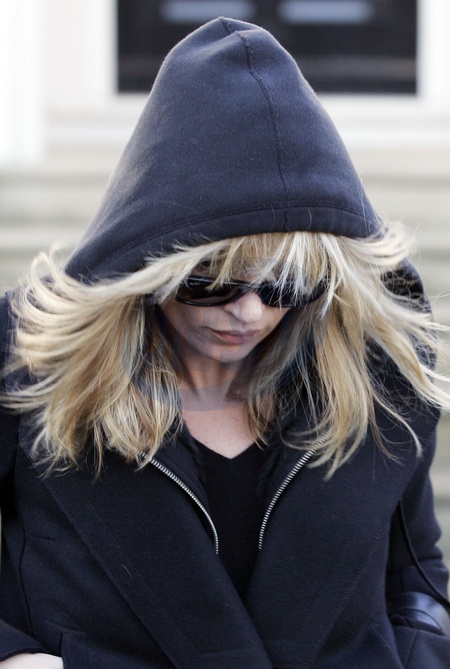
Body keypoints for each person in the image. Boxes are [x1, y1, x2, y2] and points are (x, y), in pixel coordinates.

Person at [0, 16, 449, 669]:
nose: (249, 311)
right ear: (147, 264)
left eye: (285, 284)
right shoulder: (32, 365)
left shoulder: (377, 382)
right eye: (210, 281)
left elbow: (416, 574)